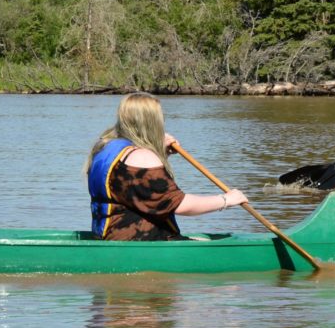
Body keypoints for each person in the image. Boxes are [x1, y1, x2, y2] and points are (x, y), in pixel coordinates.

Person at [85, 93, 246, 241]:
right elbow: (179, 205)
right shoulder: (142, 157)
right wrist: (227, 200)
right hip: (142, 242)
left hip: (109, 236)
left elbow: (135, 187)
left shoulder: (104, 147)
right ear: (152, 123)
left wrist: (160, 152)